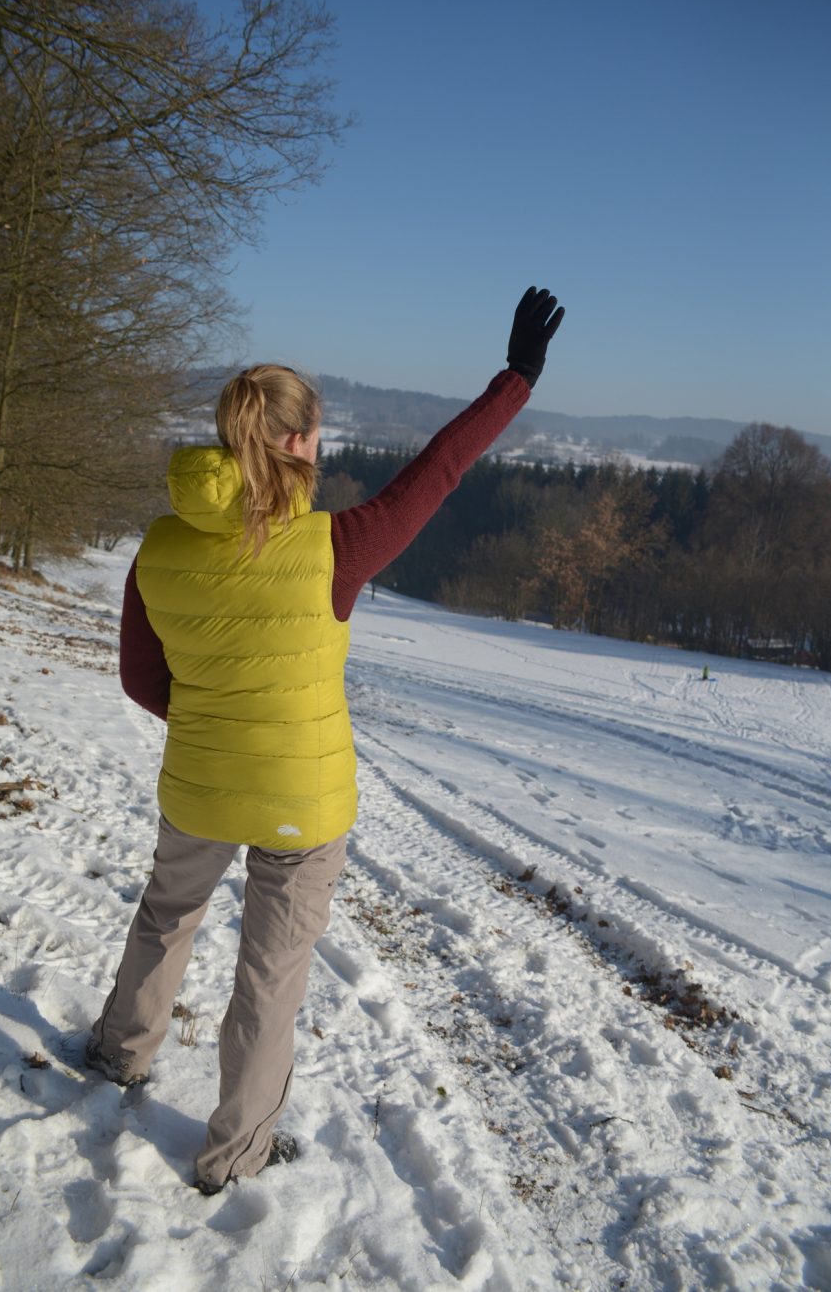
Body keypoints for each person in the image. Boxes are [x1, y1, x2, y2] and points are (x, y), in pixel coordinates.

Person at [86, 285, 565, 1194]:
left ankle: (119, 1054)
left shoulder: (158, 545)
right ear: (298, 442)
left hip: (197, 785)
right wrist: (516, 380)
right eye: (317, 433)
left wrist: (209, 726)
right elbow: (441, 470)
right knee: (269, 976)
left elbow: (141, 679)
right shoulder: (337, 547)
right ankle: (236, 1154)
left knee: (164, 917)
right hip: (303, 807)